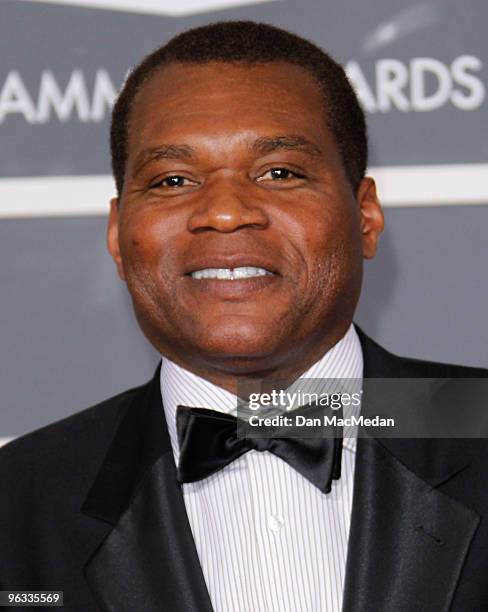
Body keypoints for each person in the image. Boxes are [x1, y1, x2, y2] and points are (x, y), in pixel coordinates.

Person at [0, 21, 487, 612]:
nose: (225, 213)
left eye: (279, 173)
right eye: (173, 180)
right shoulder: (18, 498)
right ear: (117, 234)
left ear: (366, 217)